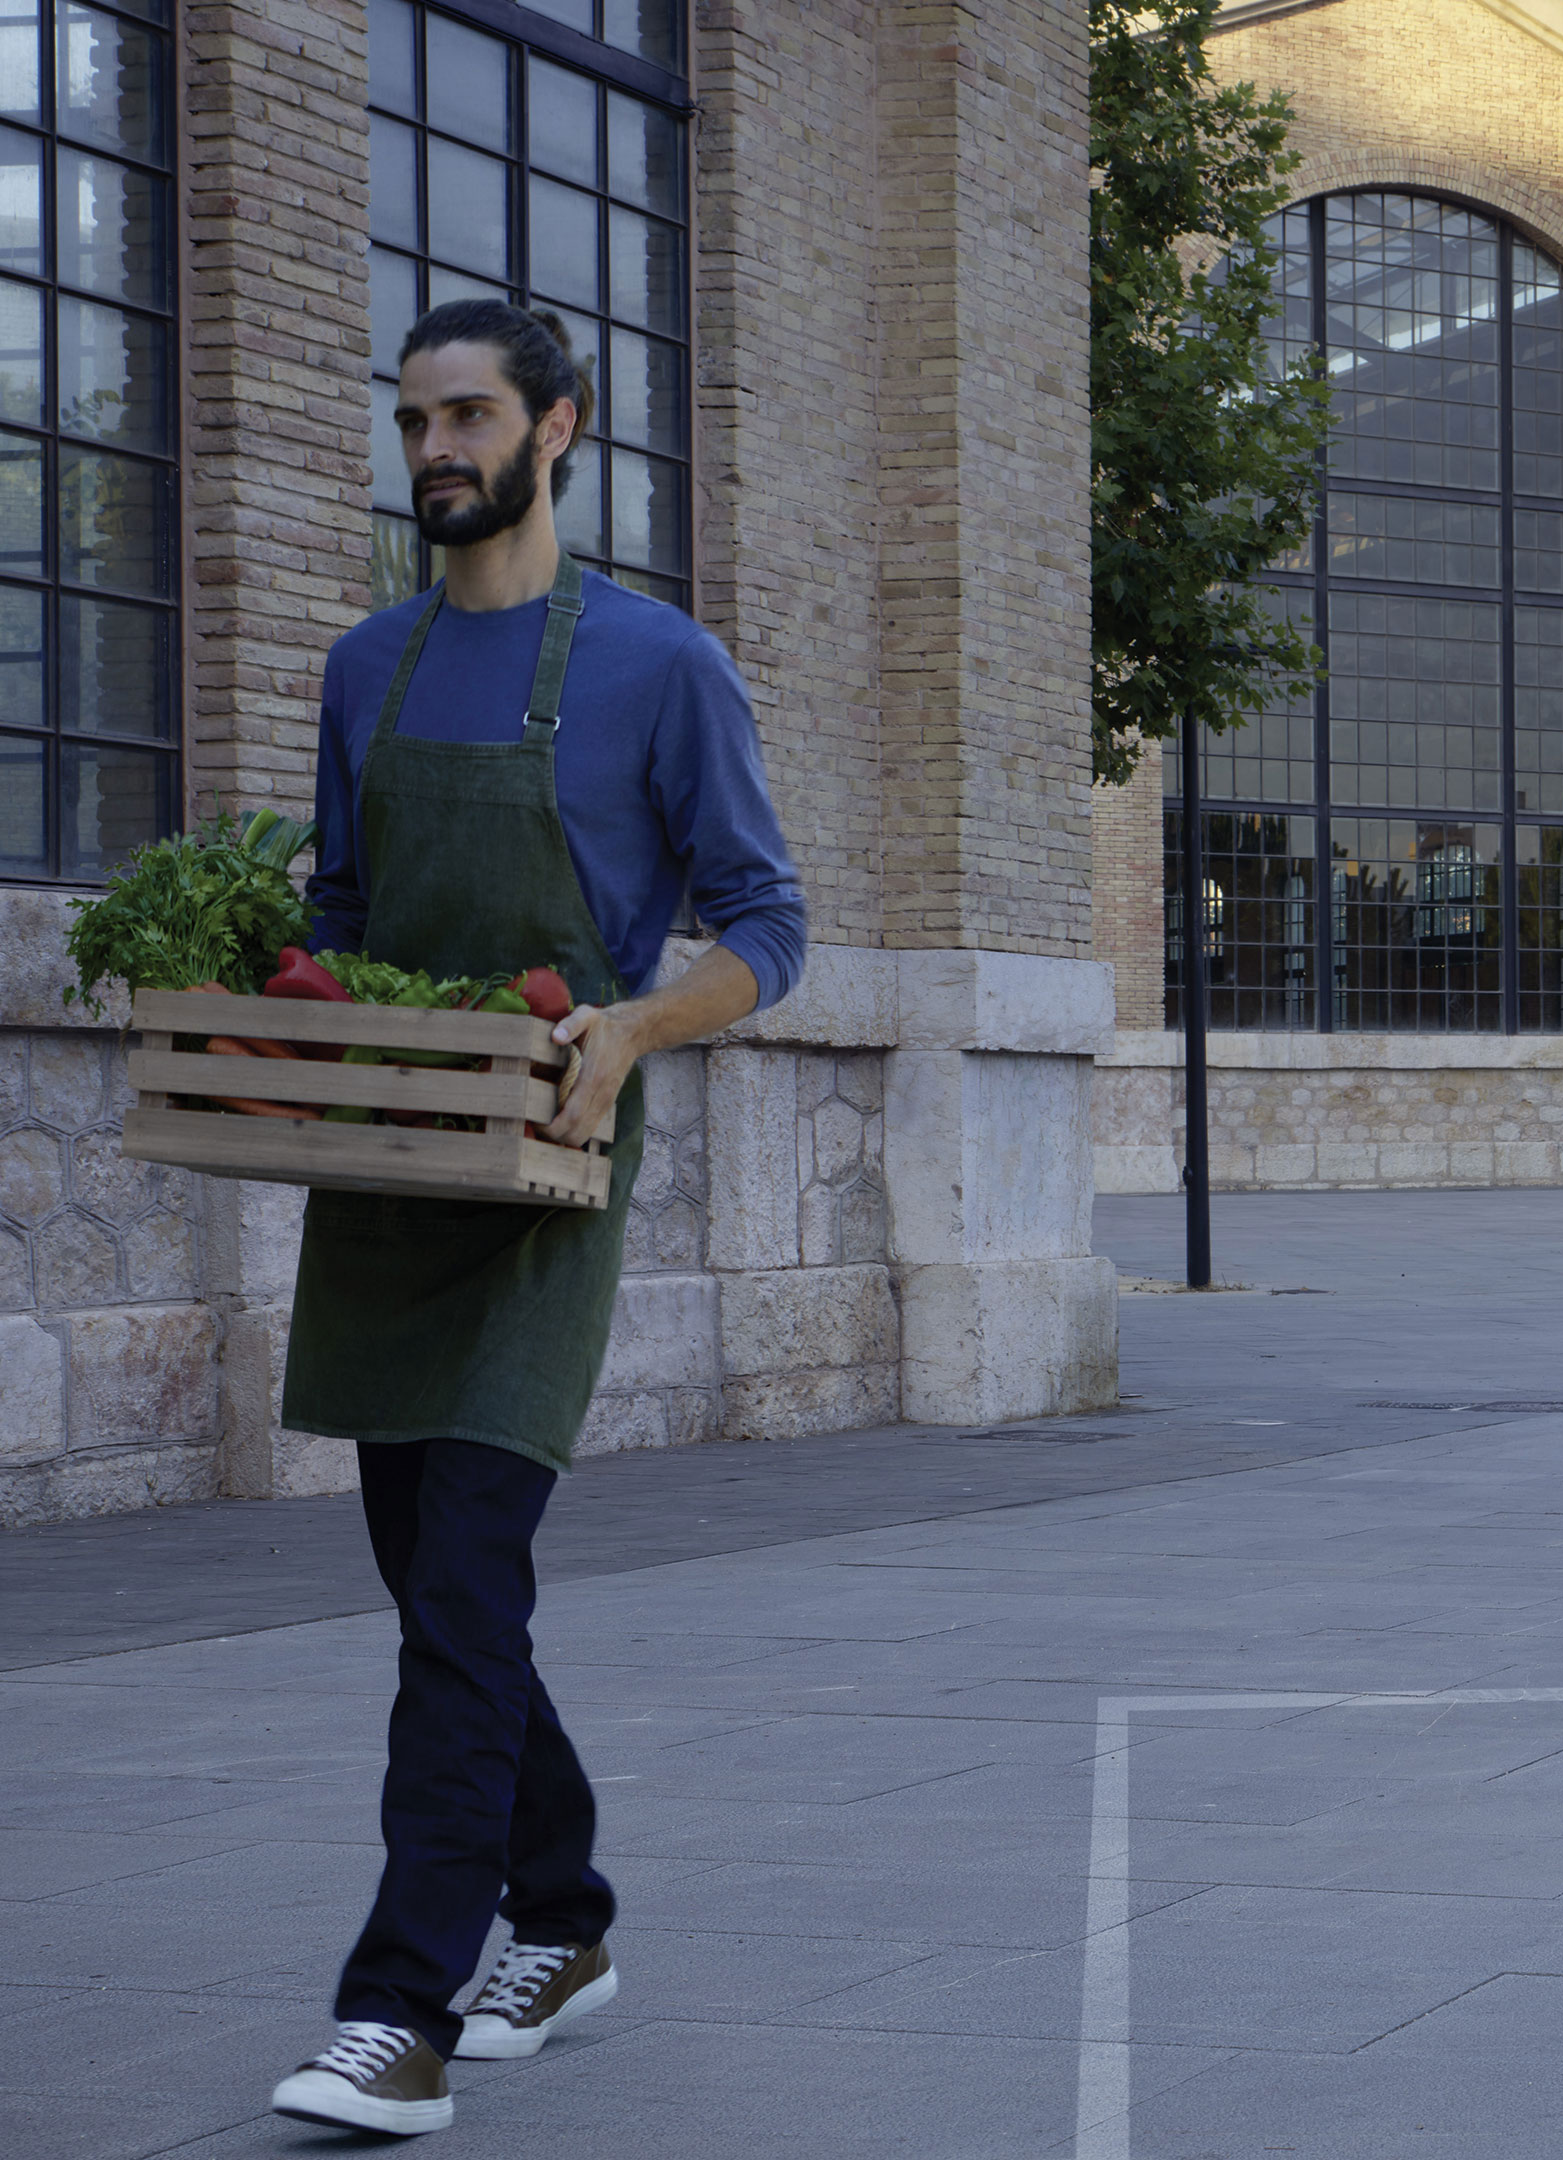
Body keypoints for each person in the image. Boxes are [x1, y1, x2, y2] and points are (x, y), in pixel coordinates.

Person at [266, 300, 807, 2137]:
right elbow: (338, 908)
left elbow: (767, 928)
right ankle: (561, 1916)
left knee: (468, 1574)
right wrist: (254, 1005)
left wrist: (637, 1029)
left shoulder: (663, 669)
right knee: (437, 1588)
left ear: (558, 428)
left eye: (470, 414)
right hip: (391, 1166)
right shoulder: (368, 667)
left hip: (554, 1157)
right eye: (413, 418)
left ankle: (394, 2011)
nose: (434, 447)